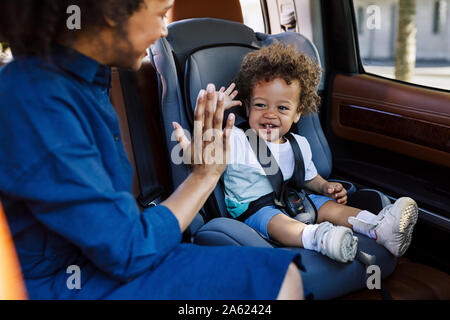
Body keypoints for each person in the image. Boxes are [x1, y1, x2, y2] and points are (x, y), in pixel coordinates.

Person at [0, 0, 305, 299]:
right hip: (63, 283)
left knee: (274, 277)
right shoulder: (38, 97)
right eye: (160, 14)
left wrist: (206, 173)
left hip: (105, 261)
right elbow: (128, 249)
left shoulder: (89, 83)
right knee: (273, 280)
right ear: (112, 10)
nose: (163, 30)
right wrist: (205, 175)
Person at [219, 42, 419, 263]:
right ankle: (321, 238)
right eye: (260, 105)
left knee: (328, 206)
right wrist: (215, 115)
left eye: (282, 108)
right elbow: (199, 156)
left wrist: (325, 186)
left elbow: (309, 178)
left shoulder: (299, 144)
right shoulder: (236, 138)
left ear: (298, 113)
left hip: (294, 200)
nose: (270, 114)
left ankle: (379, 228)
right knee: (275, 220)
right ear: (247, 107)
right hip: (254, 209)